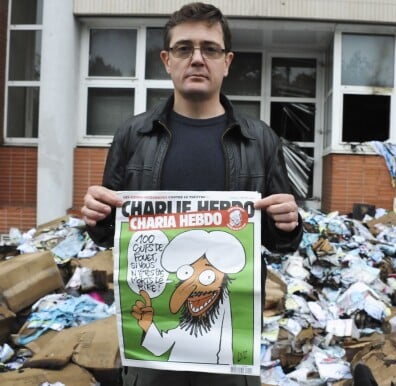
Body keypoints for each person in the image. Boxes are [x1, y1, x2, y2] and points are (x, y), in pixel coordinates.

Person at [80, 2, 303, 385]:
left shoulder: (260, 139)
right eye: (184, 48)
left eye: (209, 49)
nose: (197, 59)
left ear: (227, 61)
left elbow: (277, 241)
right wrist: (96, 216)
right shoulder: (133, 136)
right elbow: (111, 233)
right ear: (167, 60)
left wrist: (288, 224)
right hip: (150, 341)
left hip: (230, 341)